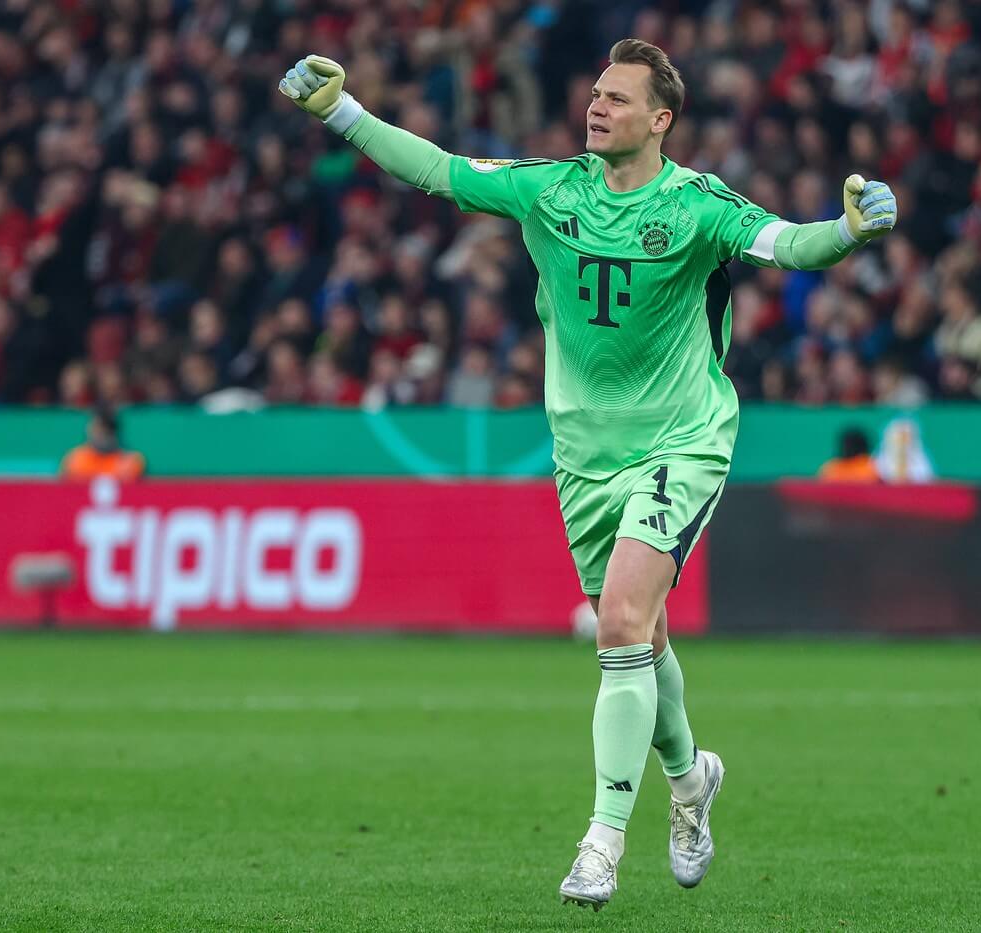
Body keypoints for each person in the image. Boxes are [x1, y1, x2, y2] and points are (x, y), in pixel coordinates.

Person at [279, 39, 898, 910]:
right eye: (595, 94)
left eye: (617, 98)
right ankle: (692, 781)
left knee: (618, 624)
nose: (597, 107)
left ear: (661, 119)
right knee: (642, 635)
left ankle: (602, 841)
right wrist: (341, 111)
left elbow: (788, 246)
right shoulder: (551, 189)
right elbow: (438, 170)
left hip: (682, 440)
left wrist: (850, 231)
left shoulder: (696, 206)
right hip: (583, 457)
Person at [59, 407, 145, 482]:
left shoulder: (131, 463)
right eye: (97, 429)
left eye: (106, 431)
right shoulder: (75, 460)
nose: (100, 435)